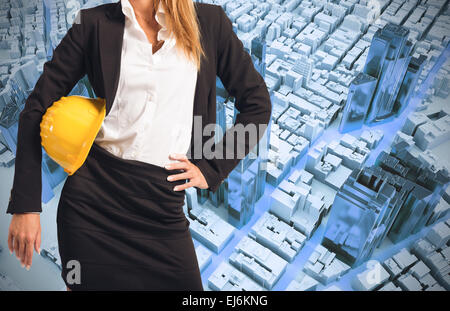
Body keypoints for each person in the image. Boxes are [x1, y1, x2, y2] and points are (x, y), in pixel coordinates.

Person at [6, 0, 272, 290]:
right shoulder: (91, 23)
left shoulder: (209, 22)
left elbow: (257, 104)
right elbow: (35, 109)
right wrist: (26, 206)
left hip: (163, 207)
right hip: (90, 207)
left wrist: (212, 169)